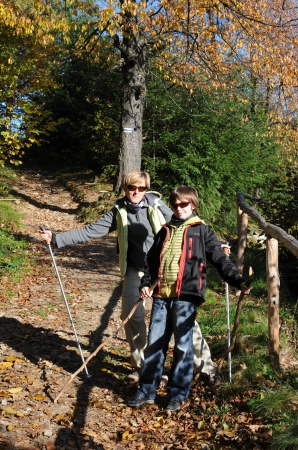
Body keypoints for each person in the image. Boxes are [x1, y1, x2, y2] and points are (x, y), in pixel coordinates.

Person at [40, 170, 219, 382]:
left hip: (164, 269)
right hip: (136, 269)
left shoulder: (157, 205)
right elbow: (91, 230)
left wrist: (219, 244)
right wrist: (57, 239)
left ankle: (206, 366)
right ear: (125, 188)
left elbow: (190, 221)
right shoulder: (119, 210)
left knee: (181, 316)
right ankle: (143, 366)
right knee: (131, 316)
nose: (136, 192)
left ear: (146, 189)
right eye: (131, 188)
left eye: (141, 188)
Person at [127, 186, 250, 412]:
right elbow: (150, 263)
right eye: (175, 205)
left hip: (186, 297)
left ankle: (177, 394)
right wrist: (146, 285)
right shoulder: (164, 231)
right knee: (155, 345)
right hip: (162, 296)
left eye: (183, 204)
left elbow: (220, 260)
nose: (179, 208)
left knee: (183, 347)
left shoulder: (202, 231)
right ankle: (146, 391)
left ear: (193, 204)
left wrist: (238, 280)